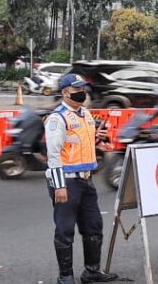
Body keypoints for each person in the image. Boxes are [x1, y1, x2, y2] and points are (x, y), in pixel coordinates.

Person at [45, 74, 119, 284]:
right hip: (66, 182)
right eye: (77, 88)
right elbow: (54, 154)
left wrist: (98, 137)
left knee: (93, 227)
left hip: (86, 180)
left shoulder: (85, 114)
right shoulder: (57, 118)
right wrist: (59, 186)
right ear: (65, 92)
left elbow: (82, 142)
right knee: (65, 230)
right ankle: (65, 277)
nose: (82, 92)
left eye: (83, 88)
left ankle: (91, 271)